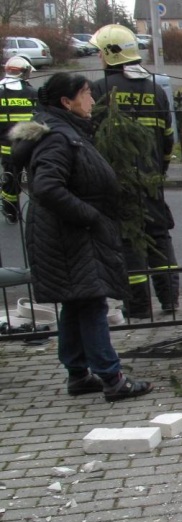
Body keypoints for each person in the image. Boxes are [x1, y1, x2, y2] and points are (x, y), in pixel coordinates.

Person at [9, 72, 153, 401]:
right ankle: (112, 377)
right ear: (66, 101)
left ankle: (77, 374)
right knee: (91, 302)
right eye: (86, 94)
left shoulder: (63, 129)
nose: (92, 101)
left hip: (68, 233)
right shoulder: (57, 136)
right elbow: (46, 187)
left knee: (77, 302)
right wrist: (90, 216)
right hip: (70, 234)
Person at [89, 23, 179, 319]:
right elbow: (168, 138)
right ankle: (170, 299)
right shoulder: (154, 89)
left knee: (129, 241)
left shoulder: (101, 89)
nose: (98, 59)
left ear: (110, 55)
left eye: (100, 53)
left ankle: (139, 307)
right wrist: (158, 171)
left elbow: (92, 138)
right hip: (151, 179)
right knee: (158, 236)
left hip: (117, 181)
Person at [0, 56, 37, 224]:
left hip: (7, 148)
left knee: (10, 180)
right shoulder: (32, 93)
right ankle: (36, 214)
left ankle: (11, 212)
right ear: (24, 72)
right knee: (35, 180)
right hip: (30, 146)